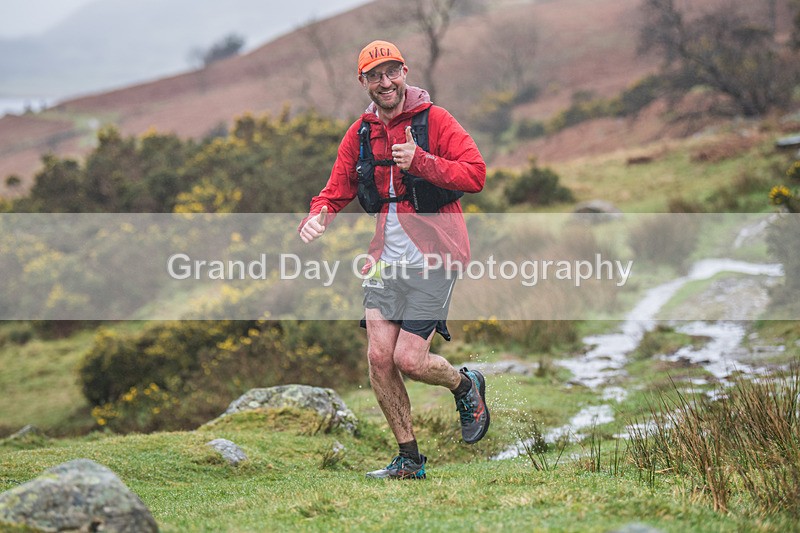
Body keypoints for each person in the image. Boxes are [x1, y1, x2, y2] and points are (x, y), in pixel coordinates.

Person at [298, 40, 489, 480]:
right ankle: (409, 460)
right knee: (379, 357)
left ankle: (466, 384)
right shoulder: (361, 133)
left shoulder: (434, 120)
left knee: (410, 360)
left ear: (404, 72)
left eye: (392, 72)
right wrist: (319, 215)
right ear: (362, 81)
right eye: (374, 75)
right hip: (385, 258)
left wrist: (421, 161)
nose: (385, 82)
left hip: (434, 256)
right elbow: (336, 188)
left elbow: (475, 173)